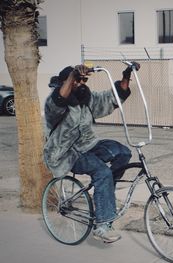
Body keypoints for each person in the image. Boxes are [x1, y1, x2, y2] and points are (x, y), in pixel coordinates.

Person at [44, 62, 139, 243]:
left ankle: (105, 194)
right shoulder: (54, 105)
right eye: (76, 81)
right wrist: (73, 74)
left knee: (123, 153)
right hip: (66, 153)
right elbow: (59, 100)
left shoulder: (86, 99)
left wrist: (126, 75)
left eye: (83, 80)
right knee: (102, 171)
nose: (81, 84)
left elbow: (111, 98)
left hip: (89, 145)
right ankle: (102, 226)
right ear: (66, 82)